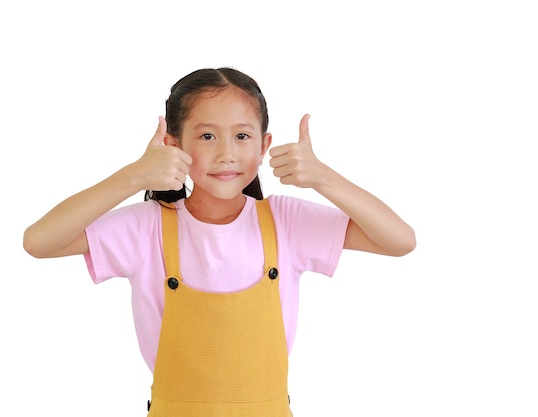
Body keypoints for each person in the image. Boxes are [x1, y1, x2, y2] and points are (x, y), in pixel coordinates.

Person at [23, 67, 416, 416]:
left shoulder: (285, 222)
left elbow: (399, 241)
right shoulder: (148, 228)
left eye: (242, 136)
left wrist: (324, 178)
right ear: (173, 145)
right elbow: (39, 242)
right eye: (207, 135)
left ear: (264, 147)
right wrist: (132, 177)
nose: (227, 154)